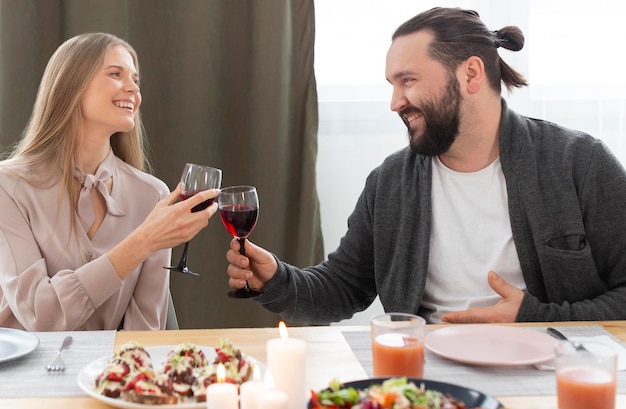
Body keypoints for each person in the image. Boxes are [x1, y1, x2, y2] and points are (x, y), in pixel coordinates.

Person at [225, 7, 626, 324]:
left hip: (552, 371)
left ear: (470, 73)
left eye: (408, 80)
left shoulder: (579, 163)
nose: (395, 102)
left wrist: (533, 318)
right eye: (392, 85)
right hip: (426, 377)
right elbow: (344, 287)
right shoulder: (390, 183)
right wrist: (276, 279)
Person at [0, 33, 219, 331]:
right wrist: (143, 241)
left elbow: (144, 334)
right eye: (115, 74)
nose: (133, 89)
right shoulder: (8, 186)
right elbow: (42, 316)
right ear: (70, 85)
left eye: (135, 80)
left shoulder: (152, 195)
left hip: (110, 376)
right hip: (25, 374)